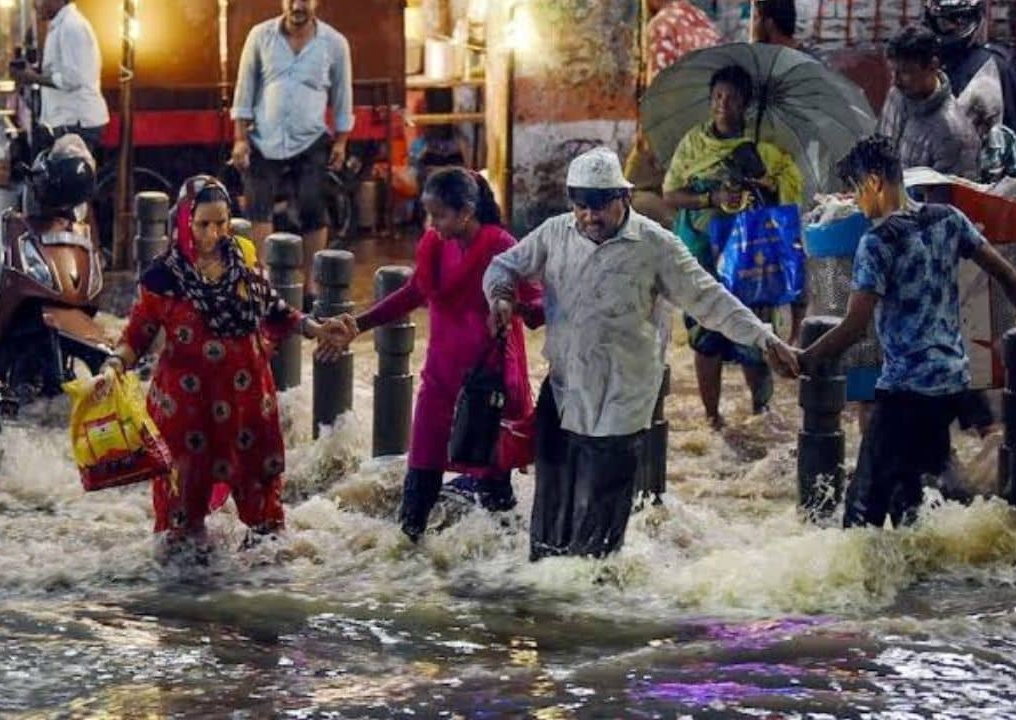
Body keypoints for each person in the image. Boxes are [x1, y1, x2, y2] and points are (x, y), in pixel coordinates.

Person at [484, 147, 799, 561]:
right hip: (564, 390)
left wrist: (764, 338)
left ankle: (592, 601)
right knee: (550, 510)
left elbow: (709, 299)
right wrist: (501, 298)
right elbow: (502, 266)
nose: (590, 218)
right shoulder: (554, 233)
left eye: (600, 208)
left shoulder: (656, 246)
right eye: (581, 208)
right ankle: (546, 599)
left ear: (625, 198)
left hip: (621, 399)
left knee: (600, 523)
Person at [104, 179, 350, 556]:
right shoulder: (163, 276)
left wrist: (315, 328)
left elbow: (275, 308)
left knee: (265, 515)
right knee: (182, 524)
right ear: (184, 221)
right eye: (203, 224)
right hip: (188, 412)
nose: (214, 233)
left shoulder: (243, 259)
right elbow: (137, 334)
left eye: (221, 223)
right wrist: (113, 367)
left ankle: (265, 590)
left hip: (246, 405)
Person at [800, 135, 1016, 528]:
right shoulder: (947, 219)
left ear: (874, 183)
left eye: (855, 192)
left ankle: (871, 586)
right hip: (952, 385)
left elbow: (854, 326)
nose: (856, 204)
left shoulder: (878, 242)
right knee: (913, 505)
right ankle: (923, 584)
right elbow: (1005, 273)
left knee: (861, 515)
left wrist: (805, 358)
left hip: (904, 393)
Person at [324, 168, 542, 541]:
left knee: (494, 494)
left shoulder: (501, 246)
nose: (432, 223)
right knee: (420, 477)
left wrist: (512, 306)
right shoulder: (434, 247)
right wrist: (358, 325)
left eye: (440, 215)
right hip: (439, 381)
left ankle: (506, 579)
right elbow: (413, 294)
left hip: (485, 389)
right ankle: (408, 563)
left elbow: (539, 303)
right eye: (430, 214)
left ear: (467, 211)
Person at [662, 64, 806, 428]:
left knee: (756, 335)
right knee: (705, 333)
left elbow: (789, 197)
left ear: (746, 104)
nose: (722, 104)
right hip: (702, 254)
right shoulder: (693, 144)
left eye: (731, 98)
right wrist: (711, 197)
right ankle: (712, 418)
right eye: (717, 97)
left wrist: (763, 182)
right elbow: (670, 193)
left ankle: (762, 413)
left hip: (749, 258)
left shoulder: (766, 147)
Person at [230, 0, 353, 303]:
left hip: (310, 138)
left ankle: (310, 287)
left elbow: (342, 96)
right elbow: (244, 89)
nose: (298, 4)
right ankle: (262, 284)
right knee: (258, 207)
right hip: (263, 138)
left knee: (313, 207)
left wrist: (340, 142)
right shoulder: (260, 36)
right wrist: (241, 138)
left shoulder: (335, 43)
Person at [626, 0, 722, 230]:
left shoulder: (663, 24)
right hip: (706, 133)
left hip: (672, 130)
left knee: (627, 195)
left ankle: (677, 236)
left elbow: (660, 91)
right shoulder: (704, 23)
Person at [878, 25, 980, 179]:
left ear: (933, 66)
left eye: (905, 72)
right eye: (893, 71)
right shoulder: (898, 95)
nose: (895, 81)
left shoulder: (954, 136)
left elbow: (951, 201)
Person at [12, 0, 109, 155]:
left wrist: (33, 78)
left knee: (71, 178)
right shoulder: (60, 26)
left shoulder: (72, 27)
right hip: (65, 121)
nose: (35, 5)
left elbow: (72, 79)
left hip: (76, 122)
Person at [924, 0, 1016, 140]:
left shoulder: (996, 65)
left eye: (956, 21)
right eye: (943, 22)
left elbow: (1013, 126)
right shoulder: (923, 61)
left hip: (984, 156)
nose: (950, 27)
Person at [751, 0, 821, 60]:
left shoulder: (759, 60)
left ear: (769, 23)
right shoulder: (809, 60)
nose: (753, 25)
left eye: (756, 18)